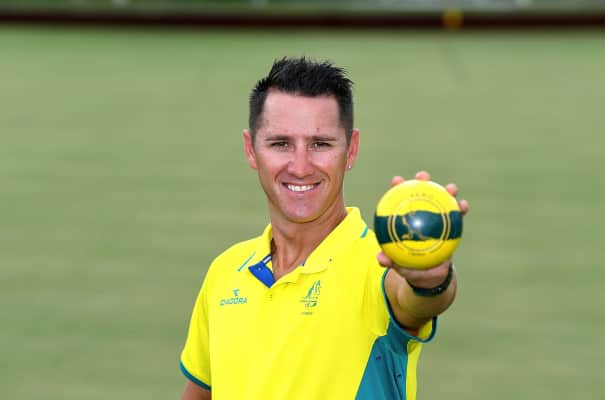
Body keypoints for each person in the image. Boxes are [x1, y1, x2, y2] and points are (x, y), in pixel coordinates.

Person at [179, 57, 469, 400]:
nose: (300, 167)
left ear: (351, 150)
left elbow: (417, 301)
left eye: (320, 144)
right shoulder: (225, 272)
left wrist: (430, 279)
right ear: (251, 149)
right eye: (280, 143)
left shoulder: (379, 266)